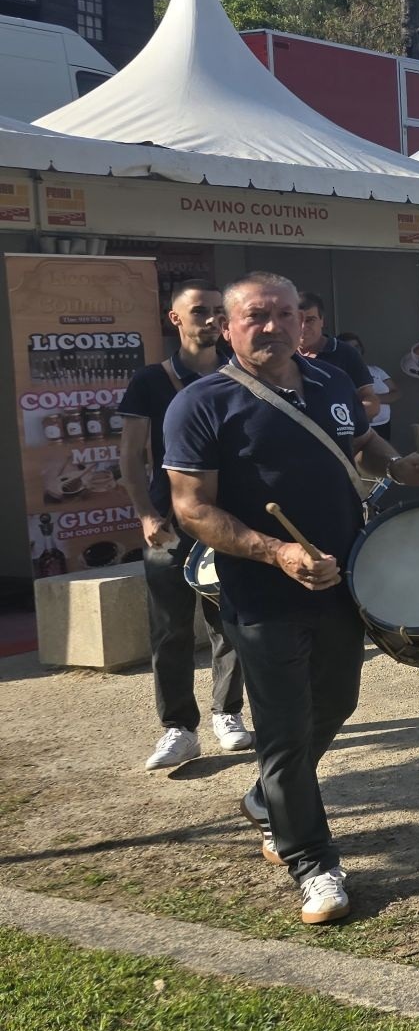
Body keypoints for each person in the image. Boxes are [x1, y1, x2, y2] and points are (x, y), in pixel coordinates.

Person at [163, 272, 419, 926]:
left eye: (285, 314)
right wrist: (276, 551)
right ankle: (313, 863)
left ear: (302, 322)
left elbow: (361, 446)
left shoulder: (331, 382)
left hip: (343, 580)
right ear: (228, 327)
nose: (273, 326)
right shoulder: (202, 404)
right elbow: (192, 509)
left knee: (337, 700)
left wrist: (399, 465)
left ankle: (266, 797)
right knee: (285, 731)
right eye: (256, 315)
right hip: (261, 594)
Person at [118, 280, 248, 771]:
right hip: (168, 524)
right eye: (200, 310)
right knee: (170, 628)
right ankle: (178, 727)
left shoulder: (240, 374)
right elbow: (129, 456)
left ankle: (227, 713)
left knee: (229, 621)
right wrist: (145, 514)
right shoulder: (149, 381)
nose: (211, 318)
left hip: (226, 519)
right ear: (175, 318)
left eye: (218, 310)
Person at [296, 292, 380, 425]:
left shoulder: (346, 353)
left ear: (322, 320)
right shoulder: (282, 354)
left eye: (309, 320)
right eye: (296, 320)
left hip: (338, 440)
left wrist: (341, 420)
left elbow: (371, 400)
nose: (302, 327)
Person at [338, 332, 398, 438]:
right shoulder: (338, 374)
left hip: (383, 425)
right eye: (349, 348)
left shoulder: (376, 370)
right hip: (355, 428)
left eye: (357, 347)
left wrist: (375, 399)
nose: (354, 351)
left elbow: (396, 392)